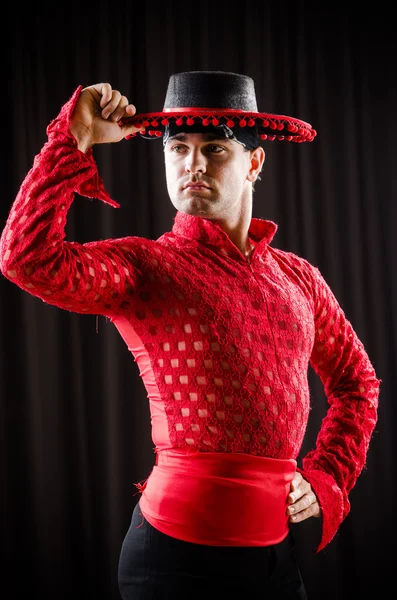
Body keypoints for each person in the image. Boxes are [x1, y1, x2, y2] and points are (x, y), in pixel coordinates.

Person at [0, 71, 380, 599]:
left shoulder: (299, 278)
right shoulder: (146, 266)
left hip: (276, 563)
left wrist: (328, 477)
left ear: (254, 163)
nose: (193, 164)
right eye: (177, 148)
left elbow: (358, 381)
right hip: (173, 564)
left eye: (215, 150)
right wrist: (74, 139)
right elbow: (27, 258)